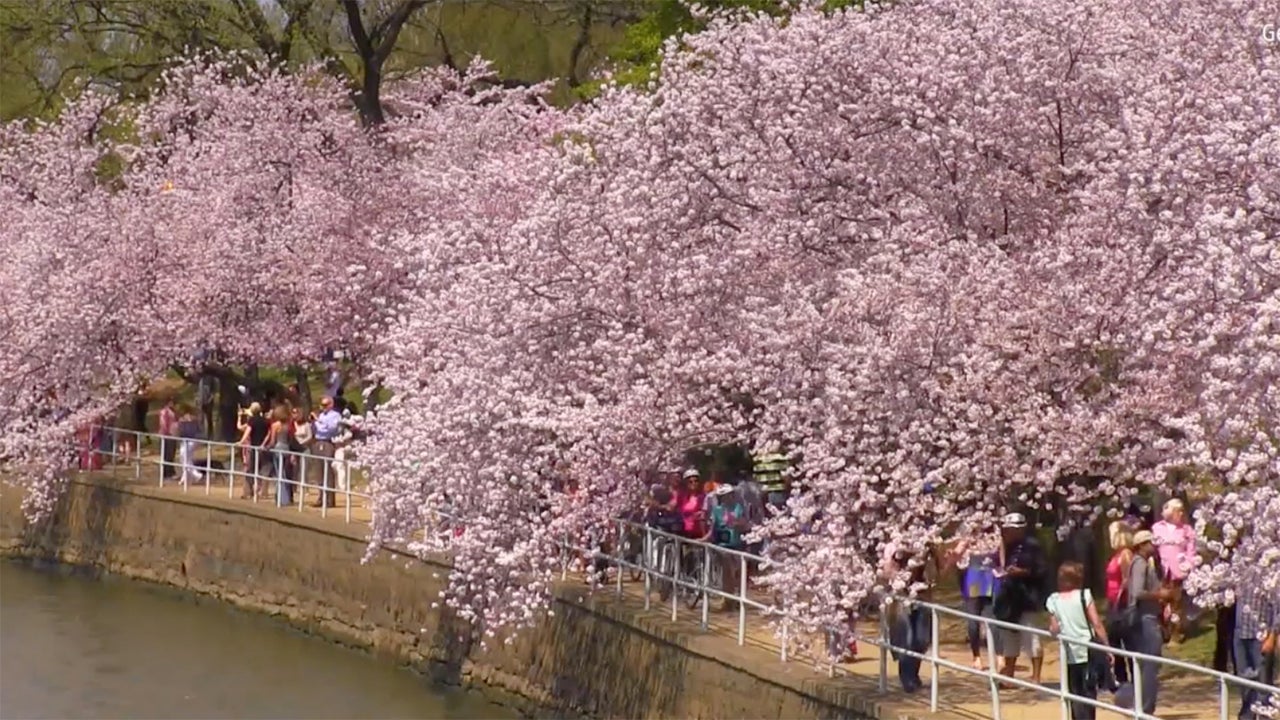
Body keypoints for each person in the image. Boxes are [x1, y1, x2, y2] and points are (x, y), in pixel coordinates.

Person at [1046, 561, 1111, 720]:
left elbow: (1054, 628)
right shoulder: (1084, 595)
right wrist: (1107, 647)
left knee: (1074, 691)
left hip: (1069, 652)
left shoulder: (1054, 599)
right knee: (1089, 692)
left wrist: (1057, 627)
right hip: (1087, 650)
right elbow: (1096, 624)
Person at [1126, 530, 1175, 716]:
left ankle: (1144, 705)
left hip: (1149, 616)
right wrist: (1159, 595)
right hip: (1144, 618)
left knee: (1148, 663)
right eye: (1149, 543)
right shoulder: (1139, 564)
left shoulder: (1148, 564)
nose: (1153, 546)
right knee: (1150, 664)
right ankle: (1146, 707)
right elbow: (1137, 592)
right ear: (1141, 545)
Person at [994, 512, 1046, 684]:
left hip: (1027, 597)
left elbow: (1040, 570)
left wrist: (1022, 572)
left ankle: (1036, 676)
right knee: (1010, 637)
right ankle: (1009, 674)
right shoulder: (1007, 547)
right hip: (1009, 597)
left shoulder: (1033, 546)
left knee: (1031, 637)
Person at [952, 528, 1001, 670]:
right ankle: (976, 656)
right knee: (973, 621)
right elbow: (957, 554)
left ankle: (999, 654)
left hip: (991, 580)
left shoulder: (996, 536)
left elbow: (1002, 558)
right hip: (973, 580)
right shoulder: (967, 538)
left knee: (993, 619)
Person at [1152, 498, 1197, 643]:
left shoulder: (1186, 530)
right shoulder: (1157, 527)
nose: (1181, 514)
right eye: (1178, 511)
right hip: (1161, 570)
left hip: (1178, 570)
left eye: (1182, 511)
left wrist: (1188, 565)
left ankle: (1176, 634)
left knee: (1177, 603)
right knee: (1160, 601)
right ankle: (1163, 631)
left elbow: (1192, 550)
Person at [1233, 580, 1278, 720]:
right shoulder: (1240, 574)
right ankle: (1247, 715)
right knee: (1245, 680)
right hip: (1240, 635)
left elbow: (1278, 610)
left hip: (1260, 637)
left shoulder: (1269, 577)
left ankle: (1264, 716)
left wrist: (1272, 637)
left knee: (1263, 683)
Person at [309, 396, 342, 508]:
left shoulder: (335, 416)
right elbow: (317, 429)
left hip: (328, 442)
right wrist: (314, 423)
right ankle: (321, 497)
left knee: (328, 471)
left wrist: (318, 420)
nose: (322, 407)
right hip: (318, 442)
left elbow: (330, 429)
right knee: (319, 471)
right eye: (321, 405)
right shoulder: (322, 415)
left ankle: (329, 500)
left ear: (331, 405)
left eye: (325, 405)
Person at [238, 402, 270, 500]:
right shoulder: (265, 421)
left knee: (250, 470)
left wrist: (241, 442)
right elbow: (269, 433)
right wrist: (264, 444)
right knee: (264, 470)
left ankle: (248, 492)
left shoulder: (252, 421)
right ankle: (263, 492)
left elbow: (248, 432)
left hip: (254, 448)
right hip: (263, 448)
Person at [268, 405, 293, 507]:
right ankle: (285, 497)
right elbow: (290, 439)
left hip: (278, 448)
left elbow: (273, 441)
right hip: (286, 448)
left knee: (279, 473)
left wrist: (268, 448)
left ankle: (281, 498)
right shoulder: (288, 425)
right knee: (285, 473)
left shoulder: (275, 425)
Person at [177, 408, 203, 485]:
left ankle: (196, 474)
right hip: (194, 441)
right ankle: (185, 478)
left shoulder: (183, 421)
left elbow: (182, 432)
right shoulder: (195, 420)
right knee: (186, 459)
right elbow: (199, 431)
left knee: (184, 459)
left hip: (187, 441)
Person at [158, 399, 178, 481]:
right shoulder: (165, 412)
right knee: (167, 455)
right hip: (167, 435)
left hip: (172, 435)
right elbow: (163, 424)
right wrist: (167, 433)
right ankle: (167, 473)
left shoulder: (173, 412)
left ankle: (170, 472)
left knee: (171, 455)